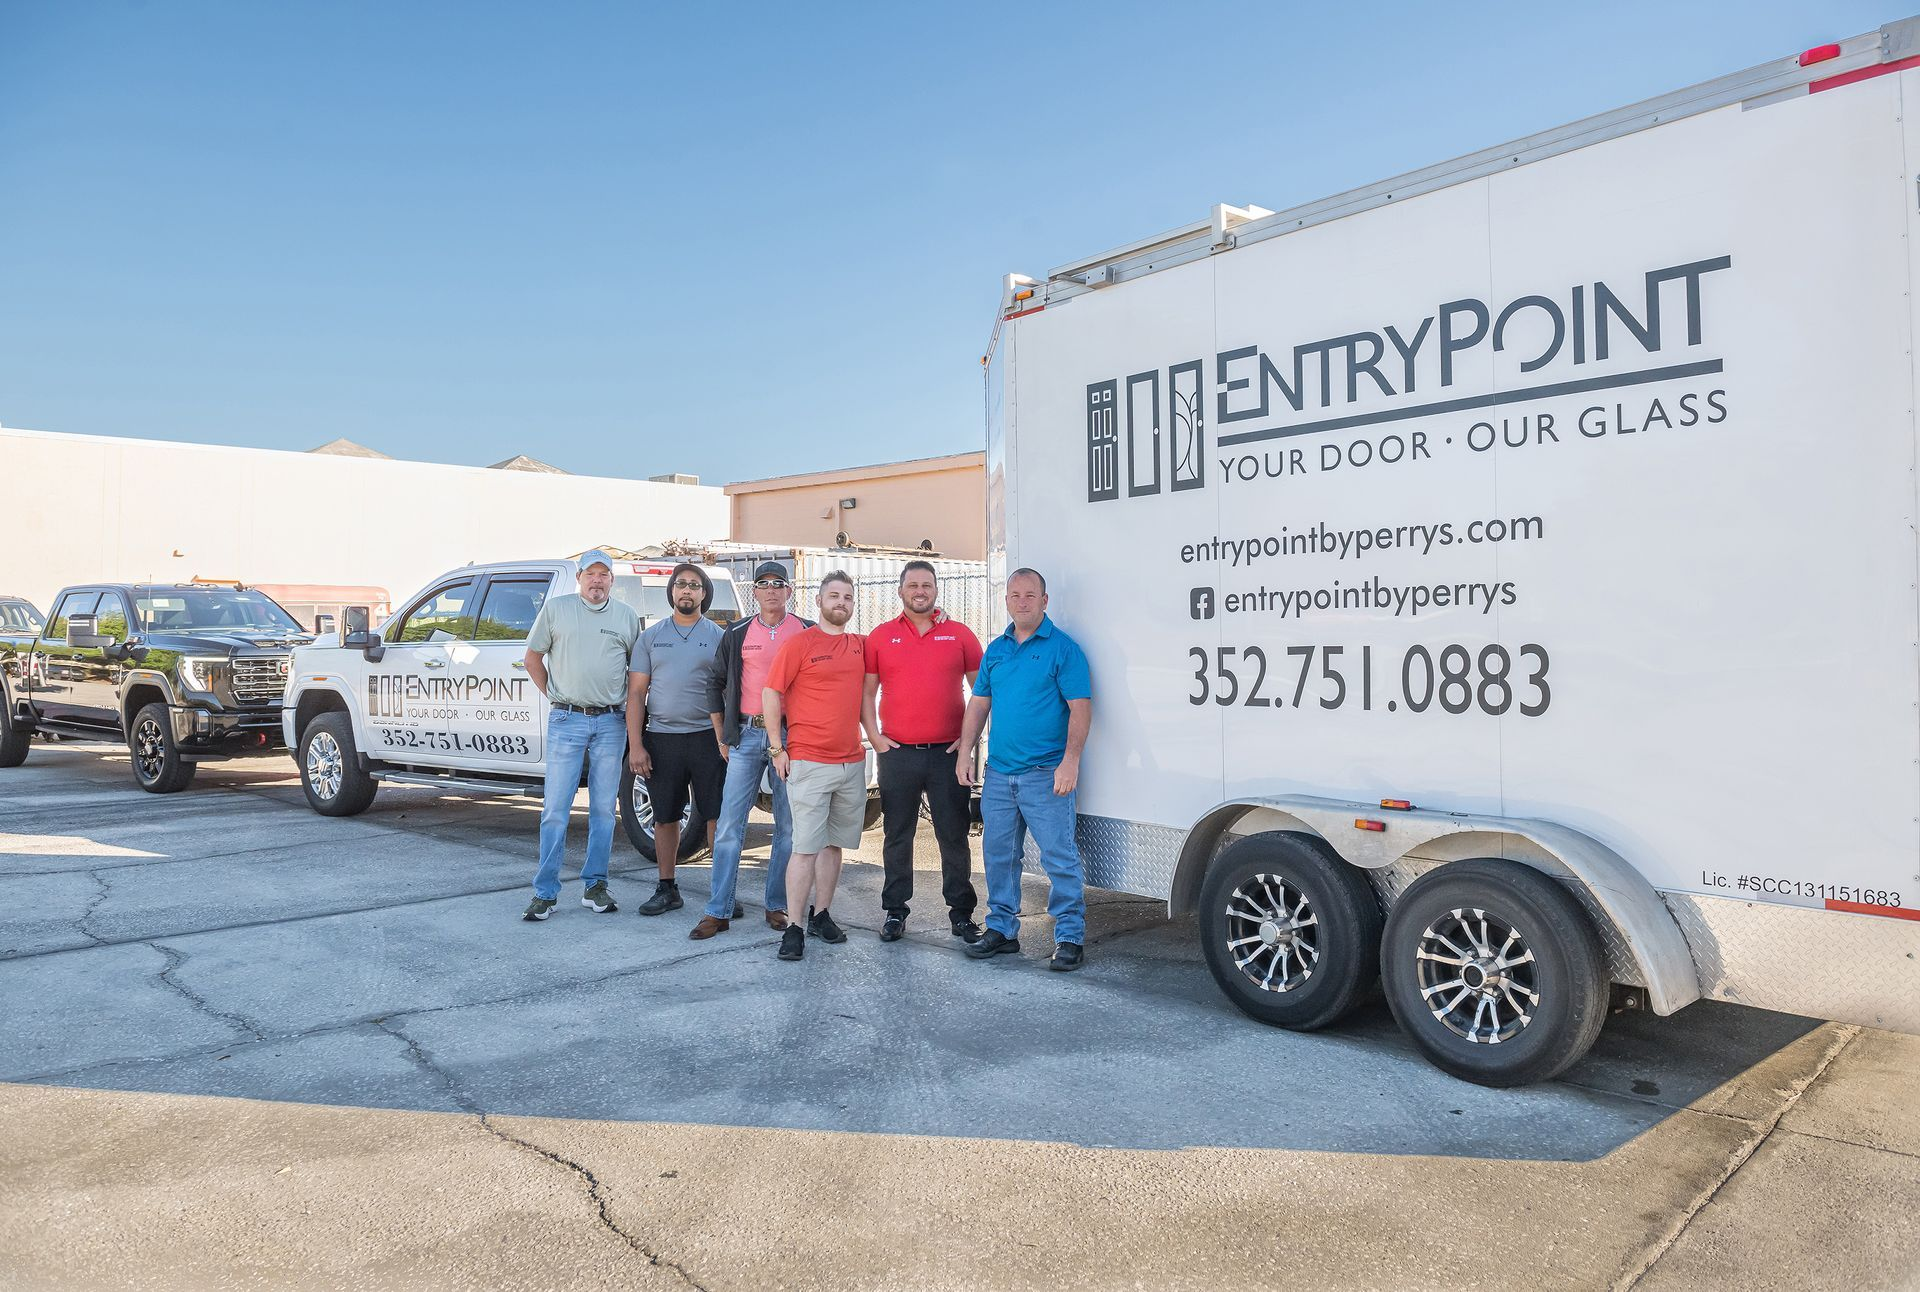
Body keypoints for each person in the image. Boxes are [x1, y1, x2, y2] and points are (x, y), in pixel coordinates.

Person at [955, 567, 1094, 971]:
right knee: (998, 855)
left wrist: (1071, 761)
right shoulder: (996, 650)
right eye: (1014, 595)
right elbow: (979, 704)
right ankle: (1001, 929)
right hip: (999, 774)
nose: (1022, 601)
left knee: (1058, 857)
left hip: (1045, 773)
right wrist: (966, 753)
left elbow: (1080, 708)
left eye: (1030, 595)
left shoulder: (1063, 649)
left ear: (1044, 601)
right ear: (1007, 601)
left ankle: (1069, 936)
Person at [861, 560, 983, 943]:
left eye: (927, 585)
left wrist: (968, 742)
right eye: (912, 584)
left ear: (935, 590)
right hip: (897, 754)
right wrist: (875, 737)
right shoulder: (880, 637)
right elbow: (865, 693)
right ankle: (895, 911)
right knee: (898, 834)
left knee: (953, 835)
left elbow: (981, 695)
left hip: (948, 755)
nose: (920, 591)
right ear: (900, 591)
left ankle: (961, 914)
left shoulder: (961, 635)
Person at [694, 561, 813, 939]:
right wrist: (721, 735)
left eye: (779, 584)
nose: (772, 590)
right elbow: (714, 683)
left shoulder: (807, 631)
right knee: (730, 825)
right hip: (746, 737)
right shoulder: (738, 632)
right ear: (756, 592)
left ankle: (777, 905)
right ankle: (718, 910)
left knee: (788, 828)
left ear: (789, 591)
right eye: (764, 584)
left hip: (791, 739)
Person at [522, 550, 642, 921]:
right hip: (566, 721)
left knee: (604, 810)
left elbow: (636, 672)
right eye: (590, 574)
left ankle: (595, 886)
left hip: (610, 723)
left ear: (612, 580)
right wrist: (557, 698)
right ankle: (545, 893)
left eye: (604, 575)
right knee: (555, 810)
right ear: (579, 578)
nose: (597, 581)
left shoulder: (626, 617)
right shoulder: (557, 610)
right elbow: (532, 658)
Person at [762, 571, 866, 961]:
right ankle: (794, 928)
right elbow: (771, 692)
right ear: (820, 600)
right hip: (807, 760)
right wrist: (777, 748)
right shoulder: (799, 644)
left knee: (833, 845)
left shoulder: (860, 646)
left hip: (851, 762)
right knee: (804, 848)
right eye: (834, 596)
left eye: (848, 598)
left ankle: (821, 914)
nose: (841, 602)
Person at [626, 562, 727, 917]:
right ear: (671, 591)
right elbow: (636, 694)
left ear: (703, 594)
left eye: (694, 585)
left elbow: (726, 690)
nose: (686, 590)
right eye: (681, 584)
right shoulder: (651, 637)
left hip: (706, 739)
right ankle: (667, 888)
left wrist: (725, 739)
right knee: (665, 817)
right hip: (662, 739)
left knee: (716, 816)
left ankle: (722, 892)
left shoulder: (716, 636)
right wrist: (636, 745)